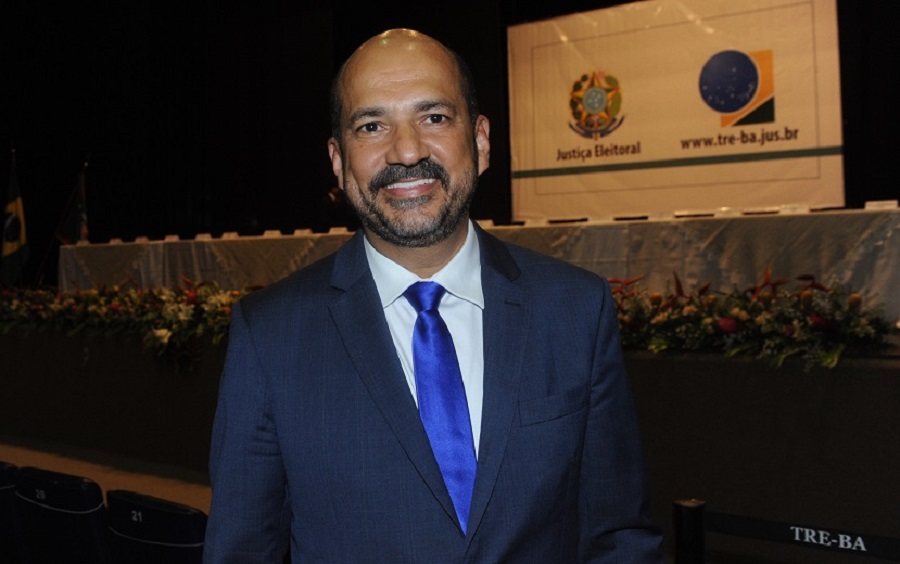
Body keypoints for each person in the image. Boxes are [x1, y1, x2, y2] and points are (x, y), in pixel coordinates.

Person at [203, 28, 664, 563]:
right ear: (338, 160)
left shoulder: (576, 309)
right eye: (372, 126)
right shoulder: (270, 335)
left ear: (481, 141)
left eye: (434, 118)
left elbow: (618, 536)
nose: (406, 150)